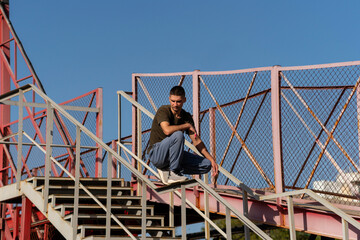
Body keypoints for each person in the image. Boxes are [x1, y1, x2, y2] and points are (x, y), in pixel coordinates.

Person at [147, 86, 218, 185]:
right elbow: (167, 130)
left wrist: (212, 160)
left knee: (206, 165)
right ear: (169, 99)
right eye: (173, 101)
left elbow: (196, 141)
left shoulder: (186, 117)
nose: (175, 104)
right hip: (157, 153)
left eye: (178, 102)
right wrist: (186, 126)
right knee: (178, 135)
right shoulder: (163, 110)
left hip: (173, 156)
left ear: (184, 100)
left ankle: (169, 170)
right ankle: (173, 172)